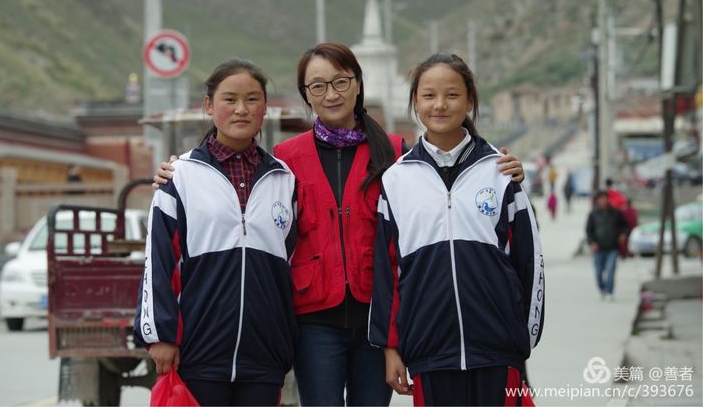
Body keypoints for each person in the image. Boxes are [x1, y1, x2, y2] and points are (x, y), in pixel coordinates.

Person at [153, 43, 526, 406]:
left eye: (341, 82)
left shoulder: (395, 153)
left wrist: (501, 166)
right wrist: (178, 170)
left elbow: (442, 176)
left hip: (374, 320)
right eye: (318, 86)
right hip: (314, 321)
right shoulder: (285, 161)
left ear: (358, 84)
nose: (331, 94)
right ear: (306, 94)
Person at [369, 53, 543, 406]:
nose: (440, 105)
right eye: (429, 95)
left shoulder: (501, 172)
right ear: (415, 102)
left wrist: (520, 336)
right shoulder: (397, 179)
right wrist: (392, 348)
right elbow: (388, 270)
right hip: (430, 350)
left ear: (469, 100)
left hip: (496, 349)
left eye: (452, 94)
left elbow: (529, 260)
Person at [135, 59, 298, 406]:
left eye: (253, 99)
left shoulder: (284, 180)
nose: (241, 109)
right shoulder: (179, 177)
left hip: (264, 357)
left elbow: (293, 264)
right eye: (229, 99)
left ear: (265, 107)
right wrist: (161, 336)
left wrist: (285, 341)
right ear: (209, 106)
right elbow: (159, 263)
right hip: (199, 353)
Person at [585, 190, 628, 300]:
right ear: (597, 200)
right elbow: (588, 231)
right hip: (598, 248)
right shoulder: (593, 214)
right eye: (601, 199)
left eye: (605, 198)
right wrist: (592, 242)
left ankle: (609, 291)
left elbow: (625, 226)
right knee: (599, 271)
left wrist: (623, 234)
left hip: (612, 247)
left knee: (610, 270)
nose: (603, 201)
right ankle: (602, 288)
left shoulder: (615, 212)